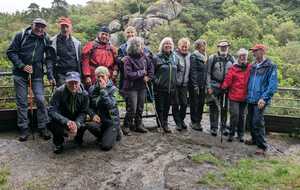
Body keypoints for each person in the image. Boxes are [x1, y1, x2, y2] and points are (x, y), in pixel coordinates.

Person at [7, 18, 53, 141]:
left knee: (41, 99)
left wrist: (49, 74)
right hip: (19, 74)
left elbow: (49, 57)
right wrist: (22, 66)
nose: (39, 28)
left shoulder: (45, 39)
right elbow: (11, 52)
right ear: (32, 25)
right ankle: (24, 129)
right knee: (22, 102)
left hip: (37, 74)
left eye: (42, 26)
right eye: (37, 25)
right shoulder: (21, 36)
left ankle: (43, 127)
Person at [246, 44, 278, 155]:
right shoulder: (253, 65)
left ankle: (262, 146)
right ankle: (254, 139)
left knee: (257, 122)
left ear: (262, 51)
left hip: (260, 99)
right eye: (253, 51)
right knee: (250, 121)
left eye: (255, 51)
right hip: (250, 98)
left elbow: (272, 85)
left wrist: (264, 98)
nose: (253, 53)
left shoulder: (270, 66)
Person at [48, 71, 89, 154]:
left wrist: (77, 123)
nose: (73, 86)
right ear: (66, 82)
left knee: (84, 123)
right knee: (52, 123)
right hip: (63, 118)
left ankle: (78, 137)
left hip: (77, 118)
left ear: (79, 82)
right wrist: (66, 121)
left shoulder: (84, 94)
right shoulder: (59, 92)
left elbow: (84, 112)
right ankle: (58, 143)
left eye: (76, 83)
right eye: (70, 83)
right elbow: (51, 110)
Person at [122, 37, 154, 135]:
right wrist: (141, 73)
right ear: (135, 47)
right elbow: (128, 75)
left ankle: (138, 125)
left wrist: (148, 77)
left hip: (142, 87)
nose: (142, 47)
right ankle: (126, 125)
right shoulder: (128, 59)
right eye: (140, 45)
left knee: (140, 107)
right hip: (131, 88)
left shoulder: (145, 57)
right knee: (132, 108)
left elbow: (151, 68)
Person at [221, 48, 251, 142]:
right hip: (234, 96)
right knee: (235, 115)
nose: (242, 58)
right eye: (241, 56)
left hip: (245, 96)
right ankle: (231, 133)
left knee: (242, 116)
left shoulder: (250, 67)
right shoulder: (233, 68)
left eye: (244, 56)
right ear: (238, 57)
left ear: (247, 57)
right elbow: (228, 79)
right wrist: (223, 87)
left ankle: (240, 135)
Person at [207, 40, 235, 136]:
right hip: (215, 86)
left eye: (225, 47)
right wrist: (209, 86)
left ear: (228, 47)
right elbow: (208, 73)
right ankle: (213, 128)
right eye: (222, 47)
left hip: (226, 87)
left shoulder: (232, 59)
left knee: (224, 107)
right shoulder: (212, 58)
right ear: (218, 47)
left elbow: (235, 74)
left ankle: (223, 128)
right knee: (213, 107)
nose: (224, 48)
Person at [89, 66, 121, 151]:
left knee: (105, 146)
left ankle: (116, 132)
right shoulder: (92, 89)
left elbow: (111, 105)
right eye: (98, 76)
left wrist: (103, 90)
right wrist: (93, 115)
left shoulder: (114, 89)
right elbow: (89, 107)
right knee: (89, 125)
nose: (100, 79)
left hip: (111, 122)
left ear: (107, 76)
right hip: (100, 121)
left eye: (102, 76)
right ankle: (105, 135)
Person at [153, 37, 179, 133]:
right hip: (160, 88)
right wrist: (157, 82)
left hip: (171, 88)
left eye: (169, 44)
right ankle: (160, 125)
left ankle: (165, 124)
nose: (168, 45)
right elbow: (152, 73)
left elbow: (178, 69)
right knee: (160, 107)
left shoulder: (174, 57)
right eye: (166, 44)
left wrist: (175, 81)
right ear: (162, 46)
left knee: (167, 107)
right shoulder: (157, 57)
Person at [117, 26, 152, 94]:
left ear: (135, 34)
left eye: (132, 32)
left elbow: (149, 59)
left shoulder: (143, 47)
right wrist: (121, 60)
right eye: (128, 32)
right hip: (128, 78)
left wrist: (149, 76)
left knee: (141, 101)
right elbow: (118, 60)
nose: (130, 34)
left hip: (141, 79)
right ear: (125, 34)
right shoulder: (121, 48)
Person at [48, 17, 82, 87]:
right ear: (60, 27)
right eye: (63, 27)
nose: (65, 29)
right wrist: (50, 75)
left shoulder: (77, 43)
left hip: (74, 73)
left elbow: (79, 61)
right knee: (63, 93)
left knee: (76, 94)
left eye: (67, 26)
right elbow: (49, 60)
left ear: (70, 27)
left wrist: (81, 76)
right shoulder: (52, 42)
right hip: (60, 74)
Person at [172, 38, 191, 131]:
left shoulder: (189, 56)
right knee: (175, 103)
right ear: (179, 46)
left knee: (184, 104)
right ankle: (178, 123)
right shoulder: (174, 55)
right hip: (175, 84)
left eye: (186, 46)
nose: (184, 48)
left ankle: (181, 120)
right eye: (182, 46)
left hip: (184, 84)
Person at [189, 39, 207, 131]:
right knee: (194, 103)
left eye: (204, 45)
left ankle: (198, 121)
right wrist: (195, 85)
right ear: (198, 47)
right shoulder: (194, 56)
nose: (204, 47)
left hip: (203, 84)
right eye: (202, 45)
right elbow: (193, 71)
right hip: (195, 84)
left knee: (201, 103)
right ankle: (194, 122)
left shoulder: (205, 56)